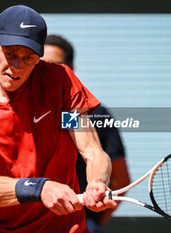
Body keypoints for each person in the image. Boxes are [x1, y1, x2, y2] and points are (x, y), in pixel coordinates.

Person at [0, 5, 116, 233]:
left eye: (28, 58)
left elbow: (91, 152)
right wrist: (39, 188)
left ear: (38, 57)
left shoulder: (61, 85)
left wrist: (96, 183)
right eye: (10, 54)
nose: (16, 67)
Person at [43, 35, 130, 233]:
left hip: (79, 224)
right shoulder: (14, 110)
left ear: (70, 69)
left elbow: (120, 179)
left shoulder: (92, 114)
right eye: (41, 65)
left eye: (55, 65)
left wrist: (93, 222)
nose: (47, 72)